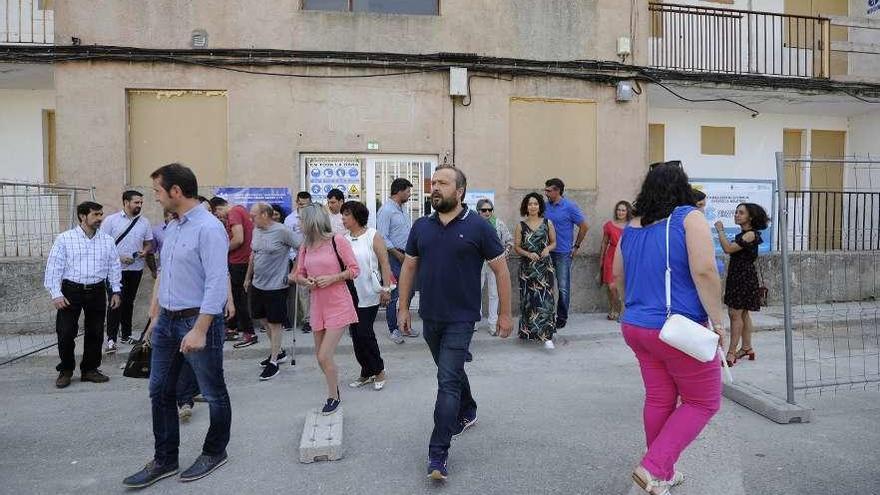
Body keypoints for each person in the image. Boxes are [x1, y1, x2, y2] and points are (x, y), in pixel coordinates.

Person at [613, 161, 726, 495]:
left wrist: (630, 309)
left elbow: (618, 274)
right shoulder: (689, 217)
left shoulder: (631, 226)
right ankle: (653, 467)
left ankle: (661, 471)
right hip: (677, 328)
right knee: (704, 401)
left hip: (636, 325)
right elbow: (705, 271)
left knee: (660, 397)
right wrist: (717, 321)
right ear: (682, 186)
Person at [397, 165, 513, 482]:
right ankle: (470, 407)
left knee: (446, 382)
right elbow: (408, 268)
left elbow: (501, 271)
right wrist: (403, 307)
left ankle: (438, 454)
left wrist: (505, 313)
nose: (435, 187)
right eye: (433, 182)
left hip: (462, 319)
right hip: (430, 316)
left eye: (443, 183)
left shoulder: (479, 226)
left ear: (460, 191)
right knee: (451, 371)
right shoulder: (421, 226)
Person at [123, 163, 232, 488]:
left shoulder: (209, 228)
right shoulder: (172, 228)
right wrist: (155, 317)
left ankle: (215, 451)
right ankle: (165, 459)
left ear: (175, 191)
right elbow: (164, 276)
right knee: (159, 390)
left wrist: (200, 328)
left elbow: (215, 282)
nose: (154, 197)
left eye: (157, 191)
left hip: (197, 319)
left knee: (213, 393)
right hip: (168, 321)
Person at [289, 204, 360, 415]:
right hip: (317, 304)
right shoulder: (305, 246)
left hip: (338, 303)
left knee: (323, 356)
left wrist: (333, 278)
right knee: (321, 356)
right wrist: (305, 281)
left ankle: (333, 396)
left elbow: (354, 270)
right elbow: (298, 274)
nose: (298, 224)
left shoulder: (337, 241)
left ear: (312, 221)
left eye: (302, 220)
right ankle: (333, 387)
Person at [44, 201, 122, 388]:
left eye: (101, 214)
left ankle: (90, 369)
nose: (100, 218)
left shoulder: (107, 240)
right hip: (71, 291)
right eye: (95, 215)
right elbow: (54, 268)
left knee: (95, 332)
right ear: (82, 216)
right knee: (65, 332)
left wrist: (115, 291)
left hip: (96, 290)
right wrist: (56, 293)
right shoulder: (64, 239)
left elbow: (114, 267)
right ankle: (66, 370)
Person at [341, 200, 394, 390]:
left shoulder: (373, 235)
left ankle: (379, 370)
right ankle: (366, 371)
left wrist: (386, 289)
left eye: (346, 214)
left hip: (369, 292)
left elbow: (384, 263)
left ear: (356, 216)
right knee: (355, 335)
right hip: (350, 293)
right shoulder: (343, 239)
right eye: (343, 214)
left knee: (365, 333)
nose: (343, 218)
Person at [245, 202, 300, 380]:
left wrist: (294, 272)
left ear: (264, 215)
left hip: (276, 285)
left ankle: (274, 361)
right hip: (257, 284)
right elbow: (253, 255)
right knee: (262, 320)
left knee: (275, 323)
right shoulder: (256, 230)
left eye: (253, 215)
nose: (250, 218)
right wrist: (248, 277)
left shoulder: (282, 231)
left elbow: (302, 248)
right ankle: (280, 352)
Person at [715, 202, 768, 367]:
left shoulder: (750, 234)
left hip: (743, 278)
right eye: (736, 212)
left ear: (750, 217)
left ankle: (731, 353)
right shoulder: (744, 233)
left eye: (741, 213)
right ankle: (747, 347)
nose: (737, 215)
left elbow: (729, 249)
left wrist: (720, 231)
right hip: (738, 276)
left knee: (734, 314)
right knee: (743, 314)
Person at [100, 190, 153, 352]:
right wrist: (119, 257)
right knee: (115, 303)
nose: (139, 205)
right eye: (136, 202)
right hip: (115, 270)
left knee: (129, 302)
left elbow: (148, 243)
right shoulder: (111, 221)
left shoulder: (144, 222)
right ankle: (111, 339)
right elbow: (101, 245)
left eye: (141, 203)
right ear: (126, 202)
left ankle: (126, 335)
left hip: (135, 269)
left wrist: (145, 251)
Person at [377, 177, 419, 344]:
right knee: (394, 294)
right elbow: (382, 237)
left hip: (407, 256)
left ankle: (406, 325)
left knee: (408, 292)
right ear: (399, 191)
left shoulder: (402, 210)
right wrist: (397, 254)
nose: (409, 195)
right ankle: (394, 329)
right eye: (408, 191)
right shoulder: (386, 210)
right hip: (394, 257)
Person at [210, 196, 256, 347]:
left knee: (238, 299)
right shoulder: (241, 210)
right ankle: (233, 328)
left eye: (217, 214)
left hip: (239, 262)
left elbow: (238, 239)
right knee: (237, 298)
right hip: (242, 261)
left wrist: (221, 251)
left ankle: (249, 333)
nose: (219, 218)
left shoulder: (234, 213)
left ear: (219, 208)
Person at [543, 178, 589, 329]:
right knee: (546, 285)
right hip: (546, 252)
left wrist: (576, 246)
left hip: (563, 253)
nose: (546, 193)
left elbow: (584, 226)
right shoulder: (544, 206)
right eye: (546, 190)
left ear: (557, 191)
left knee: (563, 286)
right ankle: (547, 315)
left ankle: (561, 317)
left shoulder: (570, 207)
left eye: (549, 190)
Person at [513, 193, 557, 348]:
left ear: (540, 206)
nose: (533, 206)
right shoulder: (520, 225)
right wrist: (528, 253)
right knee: (528, 301)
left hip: (545, 267)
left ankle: (547, 336)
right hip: (527, 268)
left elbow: (554, 243)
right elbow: (516, 247)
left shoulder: (548, 223)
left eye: (535, 204)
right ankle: (527, 332)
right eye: (530, 204)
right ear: (526, 206)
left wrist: (547, 249)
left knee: (546, 301)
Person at [476, 198, 513, 335]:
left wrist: (505, 253)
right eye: (484, 210)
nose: (487, 213)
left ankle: (493, 324)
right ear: (478, 211)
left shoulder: (498, 224)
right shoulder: (473, 224)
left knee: (494, 294)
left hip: (495, 265)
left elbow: (509, 241)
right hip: (477, 265)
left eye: (489, 210)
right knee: (475, 292)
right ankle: (474, 321)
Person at [598, 201, 632, 321]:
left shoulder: (632, 226)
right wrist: (601, 259)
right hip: (611, 256)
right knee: (611, 286)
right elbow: (604, 243)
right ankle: (613, 308)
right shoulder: (609, 225)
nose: (620, 212)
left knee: (624, 286)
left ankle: (623, 311)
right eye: (618, 210)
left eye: (623, 210)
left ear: (627, 212)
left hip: (627, 257)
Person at [285, 191, 313, 335]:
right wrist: (292, 257)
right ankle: (307, 319)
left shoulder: (313, 217)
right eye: (301, 204)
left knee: (313, 288)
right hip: (297, 258)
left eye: (306, 204)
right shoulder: (290, 220)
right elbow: (287, 240)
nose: (303, 207)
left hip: (314, 257)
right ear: (297, 202)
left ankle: (314, 318)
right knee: (302, 291)